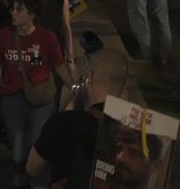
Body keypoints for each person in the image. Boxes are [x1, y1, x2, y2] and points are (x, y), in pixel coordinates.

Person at [0, 0, 75, 188]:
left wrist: (73, 86)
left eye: (19, 9)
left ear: (32, 14)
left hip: (41, 100)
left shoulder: (48, 38)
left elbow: (59, 66)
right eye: (13, 8)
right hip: (12, 98)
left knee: (37, 141)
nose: (13, 13)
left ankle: (38, 181)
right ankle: (20, 171)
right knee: (18, 145)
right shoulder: (3, 36)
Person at [27, 49, 129, 188]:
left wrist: (75, 100)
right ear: (123, 89)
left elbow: (32, 168)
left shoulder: (60, 122)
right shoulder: (130, 136)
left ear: (90, 79)